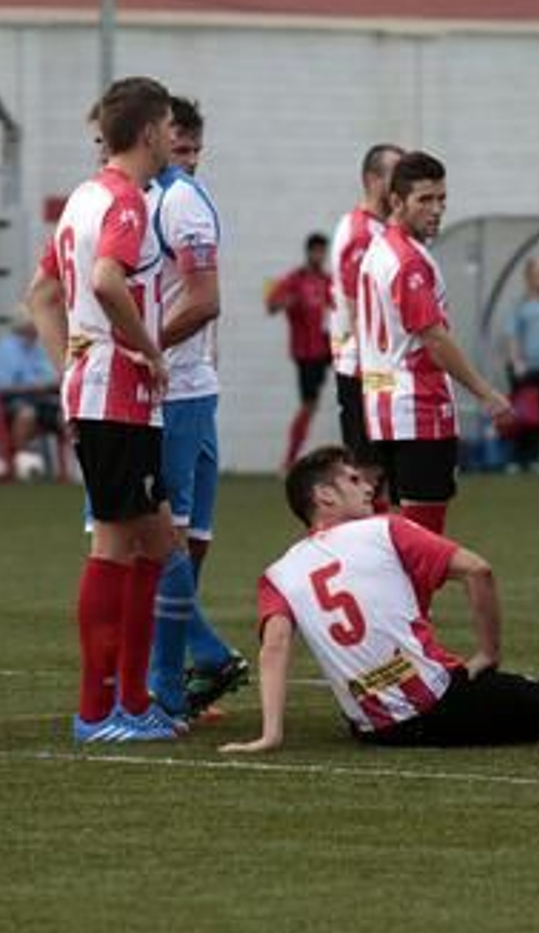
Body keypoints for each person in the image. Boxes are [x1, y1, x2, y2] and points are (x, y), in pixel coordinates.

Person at [220, 447, 539, 752]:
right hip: (438, 707)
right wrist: (488, 654)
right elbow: (479, 570)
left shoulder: (278, 573)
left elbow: (275, 646)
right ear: (324, 497)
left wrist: (271, 734)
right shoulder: (384, 529)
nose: (367, 485)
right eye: (352, 480)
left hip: (373, 730)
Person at [30, 76, 182, 742]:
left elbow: (40, 295)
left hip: (102, 386)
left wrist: (70, 362)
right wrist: (146, 349)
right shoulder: (125, 202)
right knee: (118, 541)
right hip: (117, 392)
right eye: (171, 126)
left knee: (156, 539)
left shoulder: (82, 199)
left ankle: (132, 698)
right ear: (150, 132)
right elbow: (103, 281)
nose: (174, 138)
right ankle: (97, 712)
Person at [145, 95, 248, 721]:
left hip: (180, 391)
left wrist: (141, 349)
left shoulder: (177, 200)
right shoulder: (142, 201)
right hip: (179, 390)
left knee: (171, 540)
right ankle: (181, 669)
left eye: (191, 151)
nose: (184, 161)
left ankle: (185, 669)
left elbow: (204, 300)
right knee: (170, 539)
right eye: (176, 148)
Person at [356, 150, 514, 534]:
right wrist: (486, 393)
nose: (437, 209)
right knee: (423, 540)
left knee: (397, 536)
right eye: (425, 199)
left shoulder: (381, 248)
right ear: (397, 201)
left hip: (384, 409)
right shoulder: (408, 261)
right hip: (419, 410)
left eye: (442, 198)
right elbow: (434, 339)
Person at [329, 144, 404, 499]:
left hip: (375, 367)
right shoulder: (362, 234)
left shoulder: (378, 228)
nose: (401, 187)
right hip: (363, 368)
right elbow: (359, 310)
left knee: (383, 471)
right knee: (368, 471)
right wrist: (378, 377)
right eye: (396, 177)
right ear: (373, 180)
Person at [265, 231, 334, 469]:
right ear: (309, 252)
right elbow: (271, 304)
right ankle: (289, 461)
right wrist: (286, 302)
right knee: (309, 404)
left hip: (330, 349)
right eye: (316, 250)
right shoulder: (295, 279)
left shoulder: (328, 281)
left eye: (323, 251)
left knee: (356, 389)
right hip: (306, 352)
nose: (320, 255)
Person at [501, 257, 539, 472]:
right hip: (522, 367)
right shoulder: (520, 304)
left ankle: (534, 456)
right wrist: (517, 361)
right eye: (537, 274)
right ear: (528, 277)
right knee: (520, 414)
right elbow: (512, 335)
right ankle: (516, 459)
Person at [0, 312, 61, 461]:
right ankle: (21, 461)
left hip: (43, 398)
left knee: (68, 416)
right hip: (8, 402)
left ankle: (77, 466)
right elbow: (0, 388)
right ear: (22, 326)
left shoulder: (41, 348)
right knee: (27, 413)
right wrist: (32, 387)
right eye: (34, 322)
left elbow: (52, 376)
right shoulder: (4, 349)